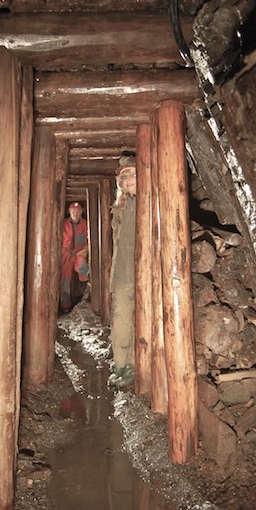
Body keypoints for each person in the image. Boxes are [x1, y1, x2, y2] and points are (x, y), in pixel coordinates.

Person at [108, 154, 137, 388]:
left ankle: (131, 367)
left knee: (137, 320)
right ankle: (120, 364)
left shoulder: (148, 202)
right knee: (120, 319)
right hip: (122, 272)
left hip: (141, 273)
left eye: (133, 175)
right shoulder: (121, 207)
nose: (128, 180)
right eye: (125, 177)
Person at [60, 202, 89, 313]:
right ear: (69, 212)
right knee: (65, 279)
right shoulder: (63, 224)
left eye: (77, 211)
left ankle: (83, 298)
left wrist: (86, 250)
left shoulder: (85, 224)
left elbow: (90, 239)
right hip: (66, 253)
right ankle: (65, 305)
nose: (75, 213)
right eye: (73, 211)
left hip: (80, 253)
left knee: (84, 270)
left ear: (81, 212)